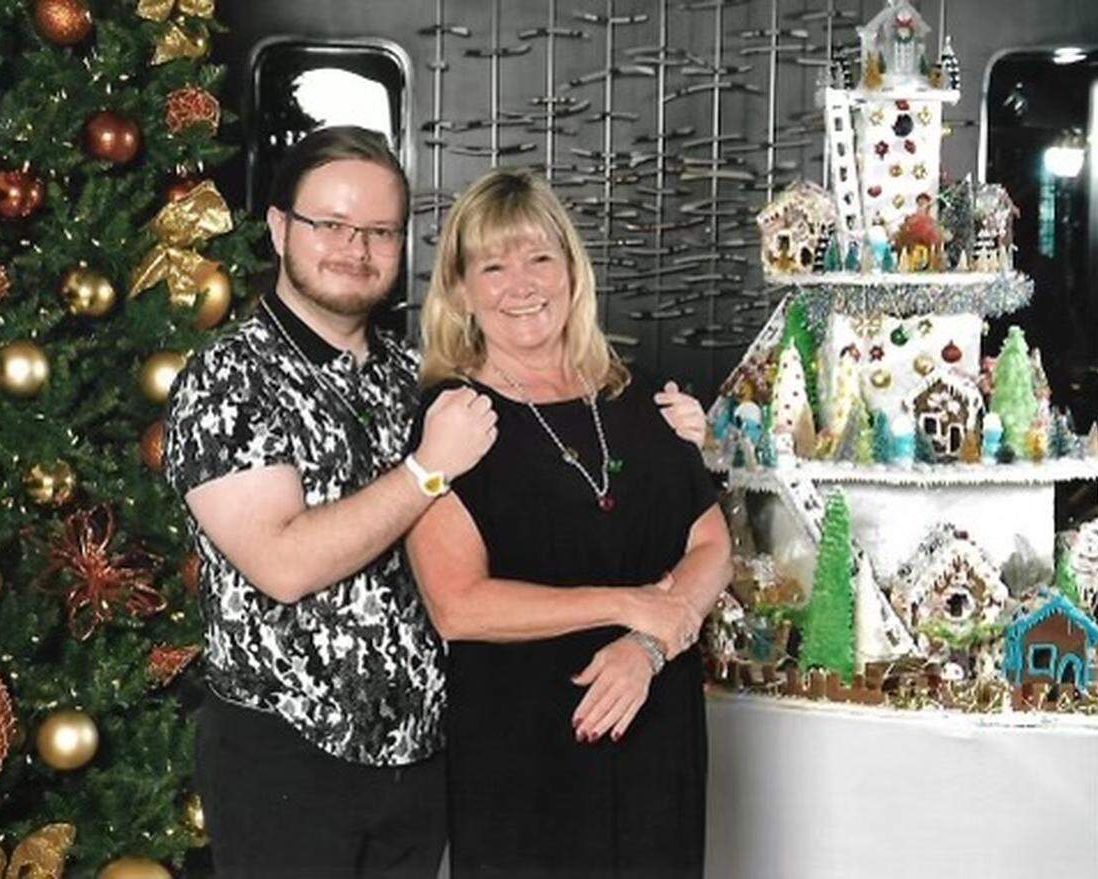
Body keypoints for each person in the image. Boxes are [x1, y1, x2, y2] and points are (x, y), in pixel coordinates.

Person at [163, 126, 708, 877]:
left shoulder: (409, 374)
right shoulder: (230, 378)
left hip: (421, 755)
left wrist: (680, 444)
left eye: (379, 230)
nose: (355, 248)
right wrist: (425, 471)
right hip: (290, 755)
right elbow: (282, 564)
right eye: (331, 224)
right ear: (280, 227)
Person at [406, 168, 733, 879]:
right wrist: (629, 605)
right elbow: (457, 604)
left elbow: (712, 543)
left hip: (655, 738)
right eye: (493, 265)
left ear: (572, 270)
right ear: (461, 290)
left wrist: (646, 645)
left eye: (540, 258)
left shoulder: (635, 400)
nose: (521, 284)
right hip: (526, 757)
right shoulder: (454, 420)